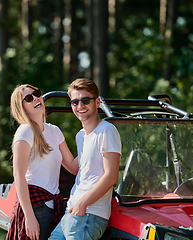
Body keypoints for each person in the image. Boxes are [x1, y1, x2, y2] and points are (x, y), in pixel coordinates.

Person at [49, 78, 122, 240]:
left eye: (85, 100)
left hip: (90, 213)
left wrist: (83, 204)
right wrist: (50, 140)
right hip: (72, 212)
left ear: (97, 102)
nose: (80, 106)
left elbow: (111, 176)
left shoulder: (107, 130)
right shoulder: (81, 136)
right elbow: (75, 168)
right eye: (75, 102)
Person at [6, 84, 78, 240]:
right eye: (28, 98)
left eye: (36, 93)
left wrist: (91, 140)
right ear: (22, 107)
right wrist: (29, 217)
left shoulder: (54, 131)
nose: (36, 98)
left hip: (55, 204)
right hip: (36, 205)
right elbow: (19, 176)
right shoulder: (25, 131)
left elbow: (73, 167)